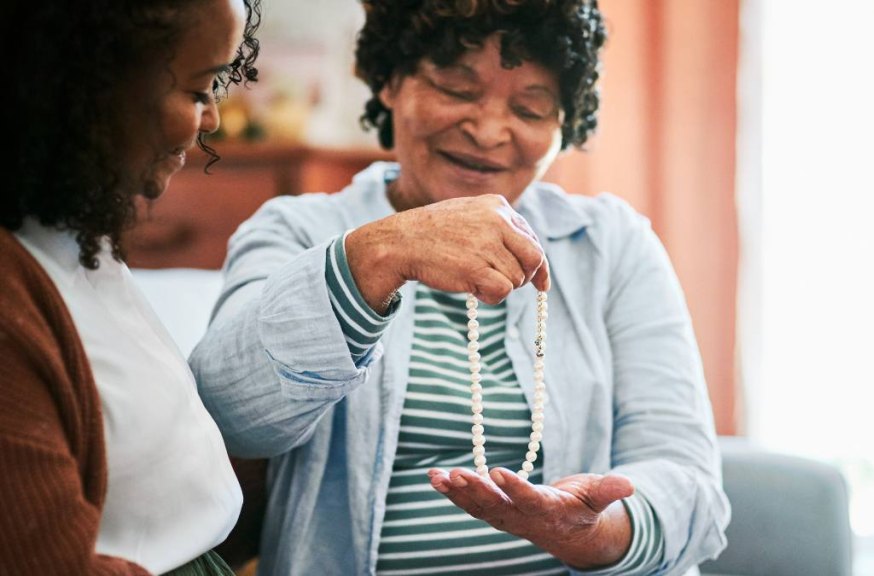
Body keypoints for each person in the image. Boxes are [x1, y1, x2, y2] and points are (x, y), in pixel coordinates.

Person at [190, 0, 730, 574]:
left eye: (530, 106)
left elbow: (691, 487)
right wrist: (382, 253)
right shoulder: (297, 229)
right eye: (456, 88)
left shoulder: (612, 244)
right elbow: (230, 413)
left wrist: (590, 533)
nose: (488, 129)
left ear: (562, 124)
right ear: (391, 81)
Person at [0, 1, 261, 574]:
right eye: (196, 91)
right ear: (89, 89)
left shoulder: (75, 235)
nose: (212, 118)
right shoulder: (13, 296)